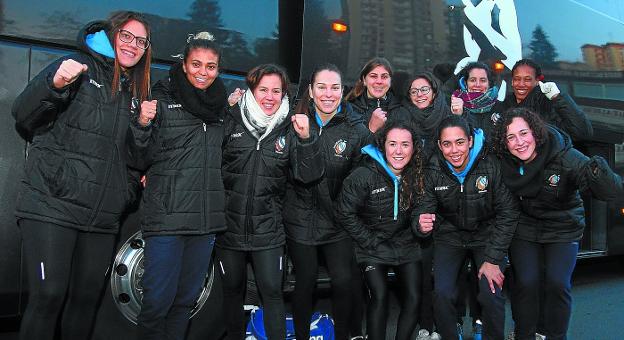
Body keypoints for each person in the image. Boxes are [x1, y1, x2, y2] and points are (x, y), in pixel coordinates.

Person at [10, 11, 150, 340]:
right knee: (48, 297)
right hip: (52, 206)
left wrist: (142, 132)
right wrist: (53, 85)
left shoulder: (136, 91)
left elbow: (136, 159)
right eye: (126, 37)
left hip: (101, 216)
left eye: (141, 41)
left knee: (86, 302)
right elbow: (23, 115)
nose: (133, 46)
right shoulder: (77, 66)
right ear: (112, 35)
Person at [126, 32, 226, 340]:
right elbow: (138, 155)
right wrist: (142, 124)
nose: (202, 72)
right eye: (196, 64)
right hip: (166, 218)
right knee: (157, 302)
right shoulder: (161, 99)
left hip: (204, 221)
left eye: (210, 66)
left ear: (218, 69)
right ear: (184, 65)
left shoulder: (223, 107)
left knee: (184, 303)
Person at [491, 108, 622, 340]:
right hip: (525, 227)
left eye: (524, 133)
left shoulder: (564, 155)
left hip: (563, 226)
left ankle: (555, 336)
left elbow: (610, 191)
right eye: (511, 137)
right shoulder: (504, 161)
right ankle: (525, 334)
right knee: (526, 282)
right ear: (504, 143)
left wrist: (597, 172)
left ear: (536, 133)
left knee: (557, 284)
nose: (519, 142)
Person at [216, 64, 322, 340]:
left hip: (269, 230)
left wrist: (307, 139)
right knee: (232, 289)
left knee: (272, 292)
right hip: (228, 227)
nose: (270, 97)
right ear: (251, 91)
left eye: (276, 91)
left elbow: (308, 175)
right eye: (263, 89)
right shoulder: (231, 119)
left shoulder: (290, 128)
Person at [285, 64, 371, 340]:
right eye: (321, 87)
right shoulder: (293, 121)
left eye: (335, 87)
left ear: (343, 91)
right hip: (300, 218)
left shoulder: (354, 128)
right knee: (305, 282)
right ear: (310, 91)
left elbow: (361, 177)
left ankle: (344, 335)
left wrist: (345, 210)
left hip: (336, 220)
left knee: (345, 281)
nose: (328, 94)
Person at [414, 115, 519, 340]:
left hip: (487, 235)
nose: (454, 150)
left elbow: (508, 211)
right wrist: (420, 223)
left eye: (460, 142)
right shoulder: (433, 166)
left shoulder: (490, 164)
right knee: (441, 294)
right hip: (450, 235)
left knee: (491, 293)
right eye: (447, 144)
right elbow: (423, 206)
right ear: (440, 145)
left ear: (470, 141)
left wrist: (492, 259)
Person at [336, 120, 425, 340]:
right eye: (392, 144)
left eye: (405, 144)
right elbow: (344, 212)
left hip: (405, 242)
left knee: (414, 297)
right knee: (380, 295)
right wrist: (369, 240)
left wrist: (420, 226)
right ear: (382, 145)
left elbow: (422, 208)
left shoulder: (418, 173)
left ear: (413, 148)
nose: (398, 150)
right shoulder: (363, 174)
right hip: (372, 243)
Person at [502, 59, 592, 141]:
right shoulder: (506, 104)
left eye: (527, 79)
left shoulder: (548, 104)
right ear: (512, 81)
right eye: (517, 79)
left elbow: (582, 133)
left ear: (537, 81)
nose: (521, 84)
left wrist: (557, 98)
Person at [345, 57, 404, 133]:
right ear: (364, 80)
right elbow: (346, 143)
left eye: (384, 77)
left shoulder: (401, 110)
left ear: (390, 81)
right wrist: (371, 129)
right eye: (373, 76)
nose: (379, 81)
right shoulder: (349, 110)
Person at [450, 62, 500, 140]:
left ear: (489, 83)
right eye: (472, 80)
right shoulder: (454, 106)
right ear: (465, 83)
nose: (477, 84)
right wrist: (458, 116)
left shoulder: (501, 107)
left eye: (483, 80)